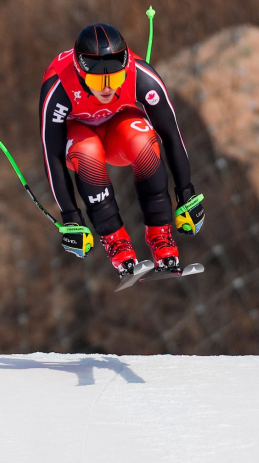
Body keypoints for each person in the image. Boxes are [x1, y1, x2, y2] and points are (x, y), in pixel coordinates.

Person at [39, 22, 204, 277]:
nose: (107, 88)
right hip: (79, 134)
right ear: (81, 74)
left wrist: (187, 195)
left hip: (118, 133)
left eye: (115, 78)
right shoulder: (59, 86)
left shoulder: (141, 75)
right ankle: (118, 245)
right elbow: (53, 156)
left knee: (143, 143)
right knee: (88, 151)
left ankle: (161, 239)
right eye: (98, 79)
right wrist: (71, 219)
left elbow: (171, 135)